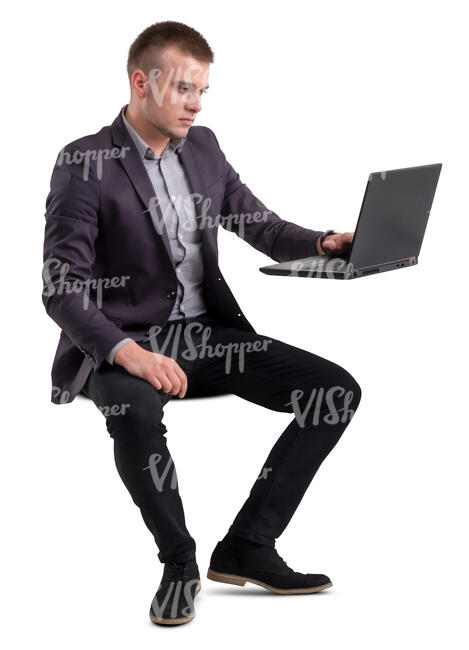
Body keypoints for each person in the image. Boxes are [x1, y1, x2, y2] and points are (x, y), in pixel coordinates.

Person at [42, 20, 361, 626]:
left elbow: (258, 224)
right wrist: (126, 355)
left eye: (203, 91)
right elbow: (61, 288)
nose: (196, 103)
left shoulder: (204, 145)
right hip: (121, 339)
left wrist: (323, 243)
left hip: (205, 336)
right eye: (185, 88)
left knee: (334, 393)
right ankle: (179, 563)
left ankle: (248, 545)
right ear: (142, 82)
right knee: (133, 412)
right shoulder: (85, 162)